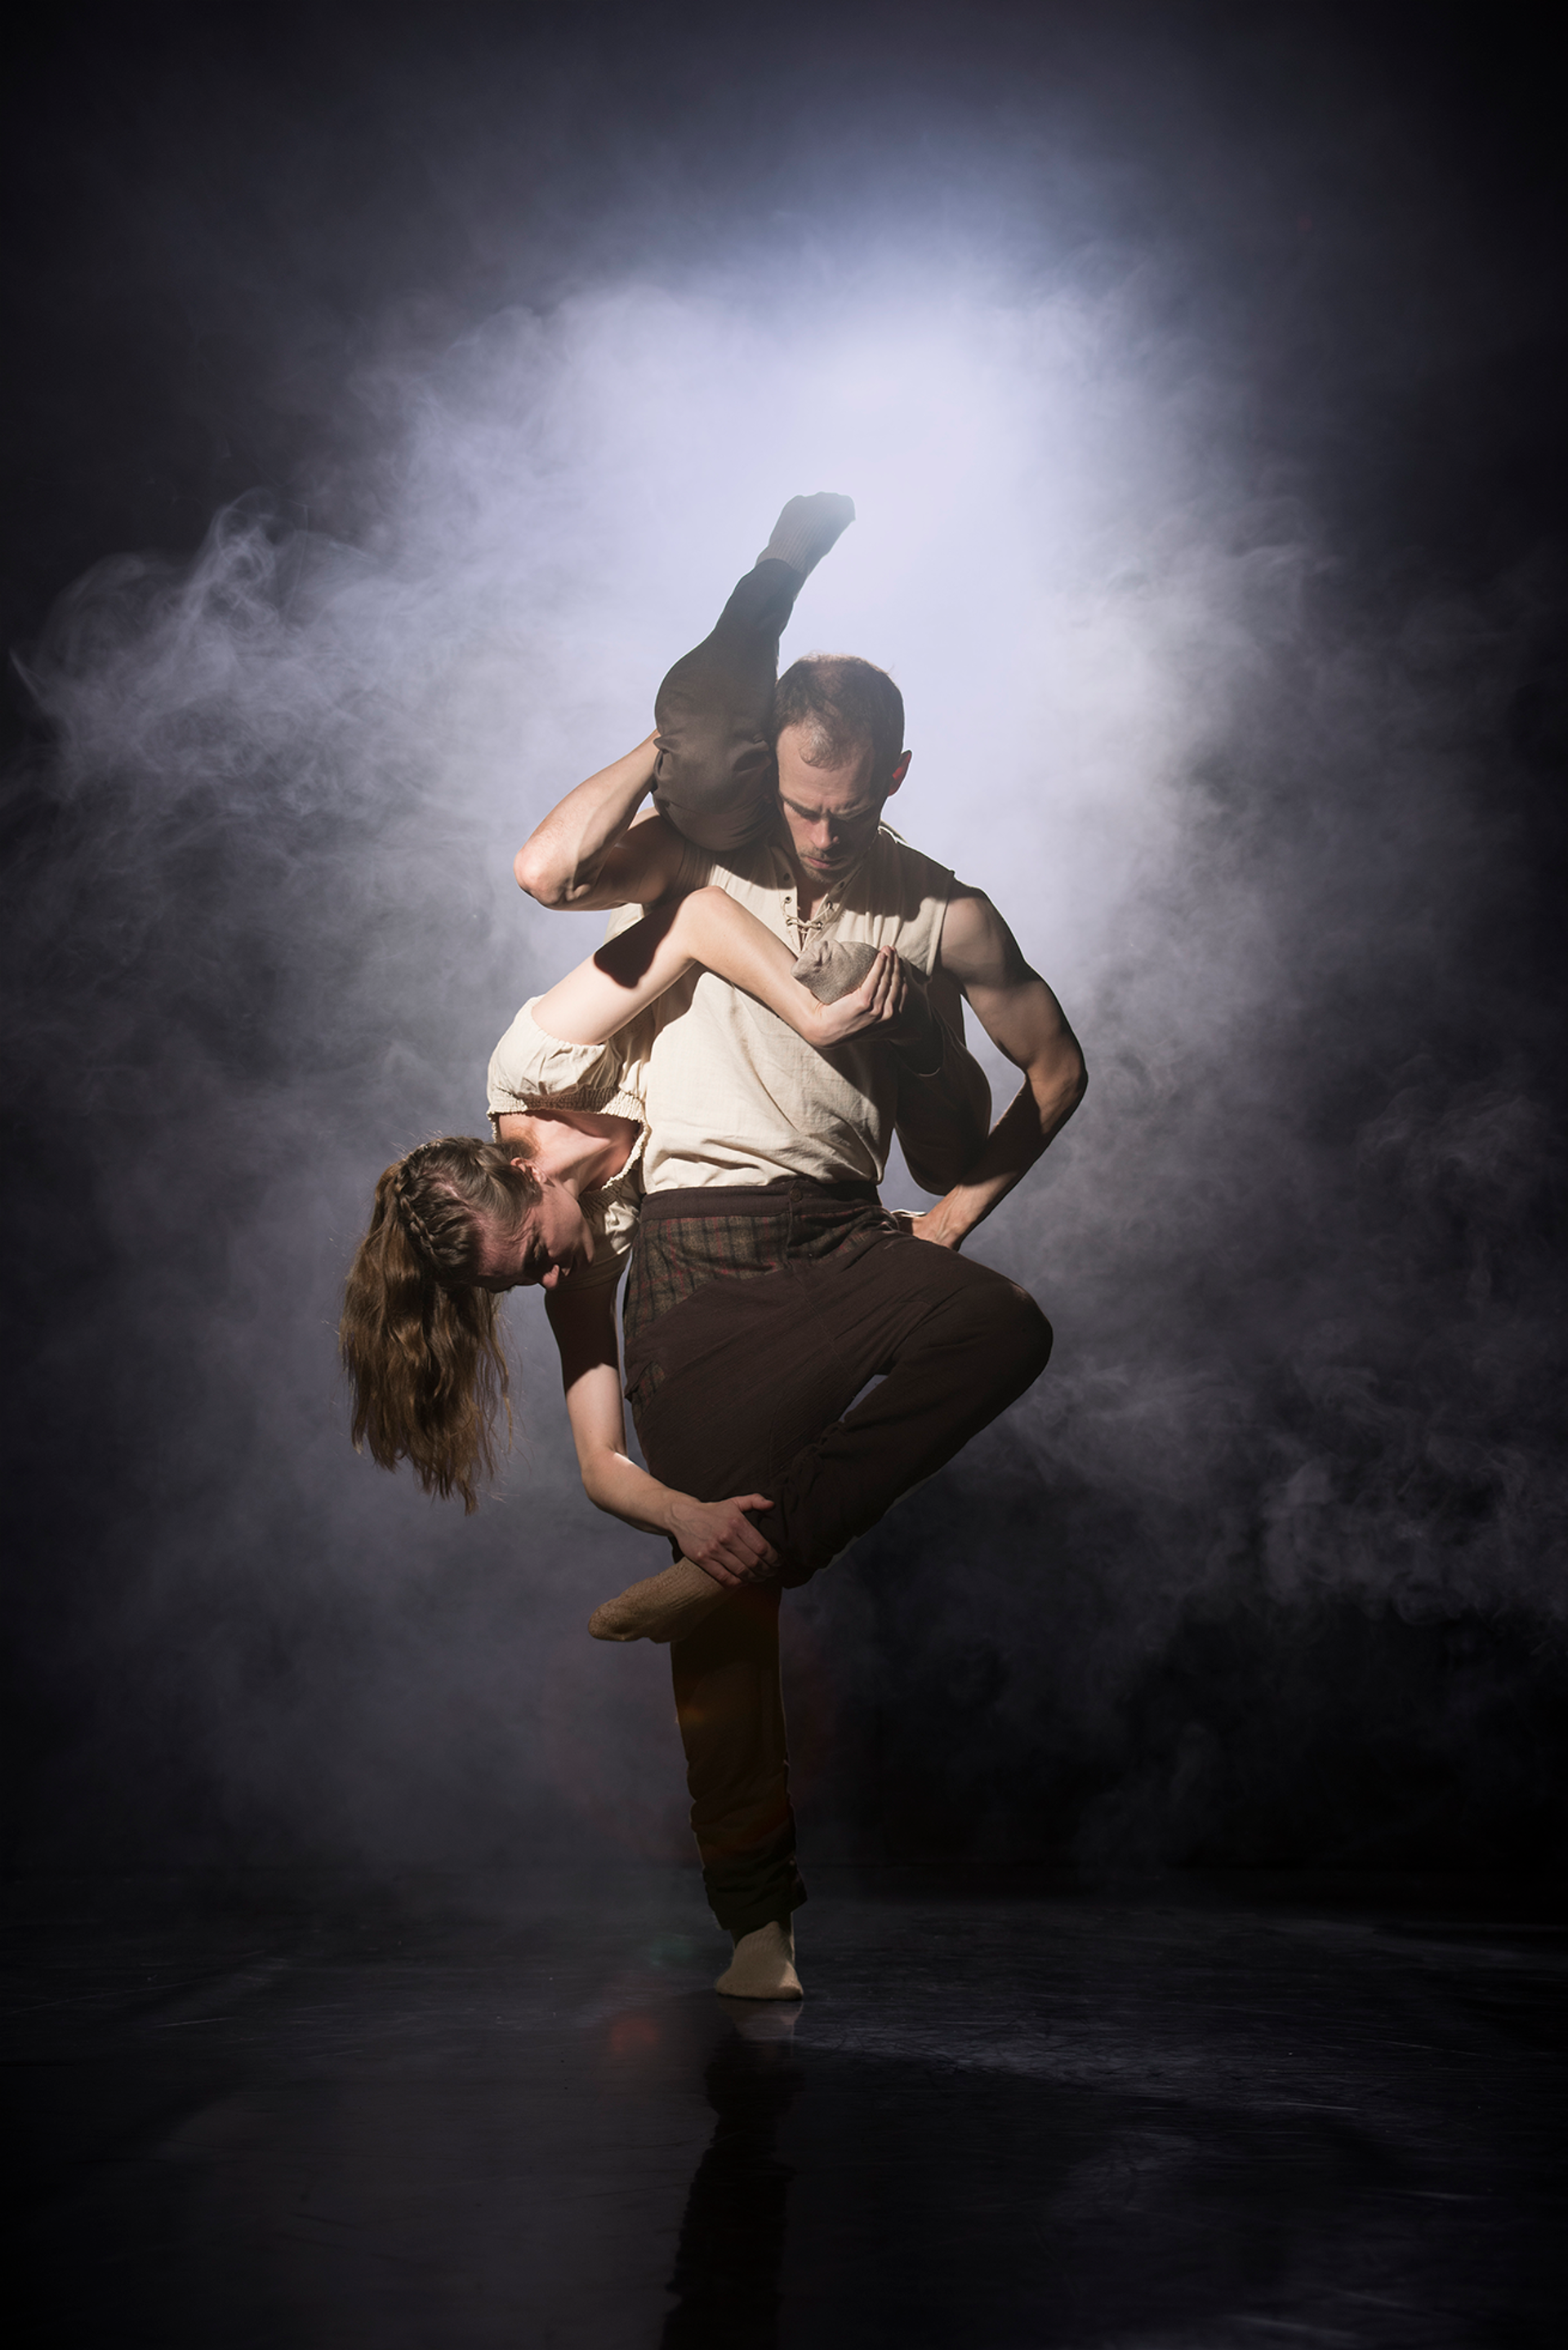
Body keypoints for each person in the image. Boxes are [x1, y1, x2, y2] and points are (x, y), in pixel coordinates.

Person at [512, 496, 1088, 1997]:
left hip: (837, 1236)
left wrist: (952, 1215)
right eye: (800, 802)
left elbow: (1059, 1068)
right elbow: (551, 869)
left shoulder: (945, 913)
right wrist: (670, 745)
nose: (821, 835)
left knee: (1004, 1326)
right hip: (693, 1252)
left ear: (896, 775)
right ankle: (758, 1927)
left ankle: (767, 1545)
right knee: (725, 1616)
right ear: (771, 767)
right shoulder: (703, 858)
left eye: (847, 808)